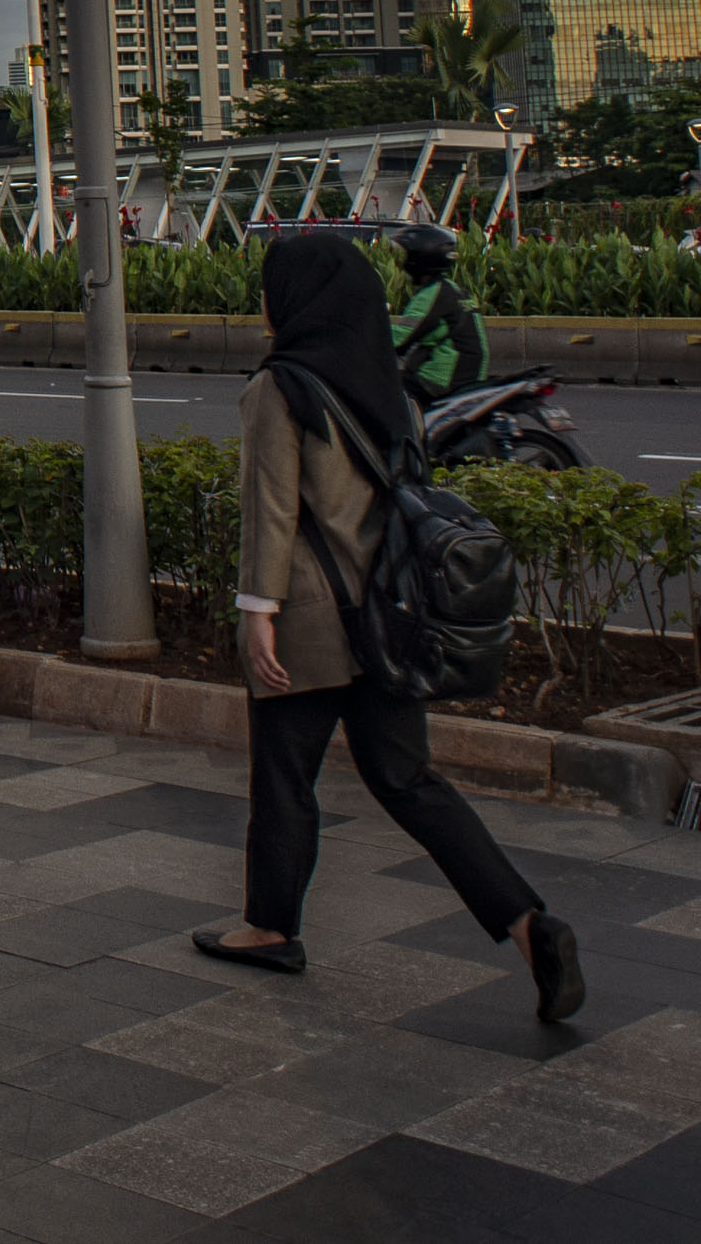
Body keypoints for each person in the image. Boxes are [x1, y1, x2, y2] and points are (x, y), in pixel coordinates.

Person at [201, 231, 585, 1025]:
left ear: (298, 301)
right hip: (387, 617)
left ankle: (271, 926)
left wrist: (256, 615)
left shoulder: (282, 389)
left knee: (283, 778)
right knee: (412, 782)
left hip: (310, 622)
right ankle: (525, 922)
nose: (263, 303)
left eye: (271, 288)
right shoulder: (394, 389)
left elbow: (272, 513)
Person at [393, 225, 493, 403]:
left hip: (442, 378)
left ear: (418, 258)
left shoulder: (432, 295)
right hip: (471, 375)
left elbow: (400, 340)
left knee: (381, 386)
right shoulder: (454, 290)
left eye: (406, 255)